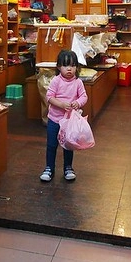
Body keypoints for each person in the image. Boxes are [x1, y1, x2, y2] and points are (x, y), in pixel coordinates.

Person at [40, 50, 88, 182]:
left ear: (77, 67)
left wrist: (78, 103)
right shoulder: (56, 81)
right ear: (58, 67)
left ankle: (68, 167)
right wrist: (61, 104)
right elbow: (49, 97)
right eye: (66, 65)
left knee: (68, 145)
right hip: (54, 120)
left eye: (73, 65)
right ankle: (49, 168)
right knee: (51, 145)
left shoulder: (78, 82)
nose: (69, 69)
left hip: (69, 121)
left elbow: (84, 96)